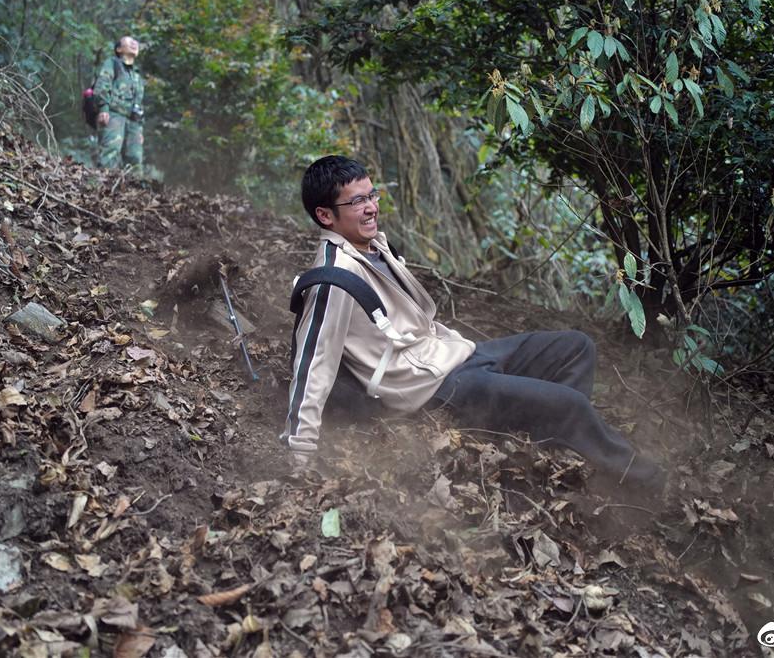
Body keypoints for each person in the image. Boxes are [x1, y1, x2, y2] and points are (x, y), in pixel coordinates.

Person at [282, 156, 664, 493]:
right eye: (357, 201)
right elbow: (312, 365)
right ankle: (647, 485)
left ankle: (548, 452)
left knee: (575, 347)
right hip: (433, 387)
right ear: (325, 215)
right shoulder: (333, 279)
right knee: (571, 405)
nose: (371, 208)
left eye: (372, 195)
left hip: (456, 354)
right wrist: (299, 455)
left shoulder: (374, 247)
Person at [94, 36, 145, 170]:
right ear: (119, 49)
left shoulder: (137, 75)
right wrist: (103, 108)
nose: (134, 43)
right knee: (110, 153)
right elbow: (103, 84)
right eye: (129, 41)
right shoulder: (113, 63)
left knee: (135, 159)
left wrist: (140, 129)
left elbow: (139, 102)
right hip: (114, 114)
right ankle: (101, 188)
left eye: (135, 42)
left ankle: (134, 191)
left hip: (133, 121)